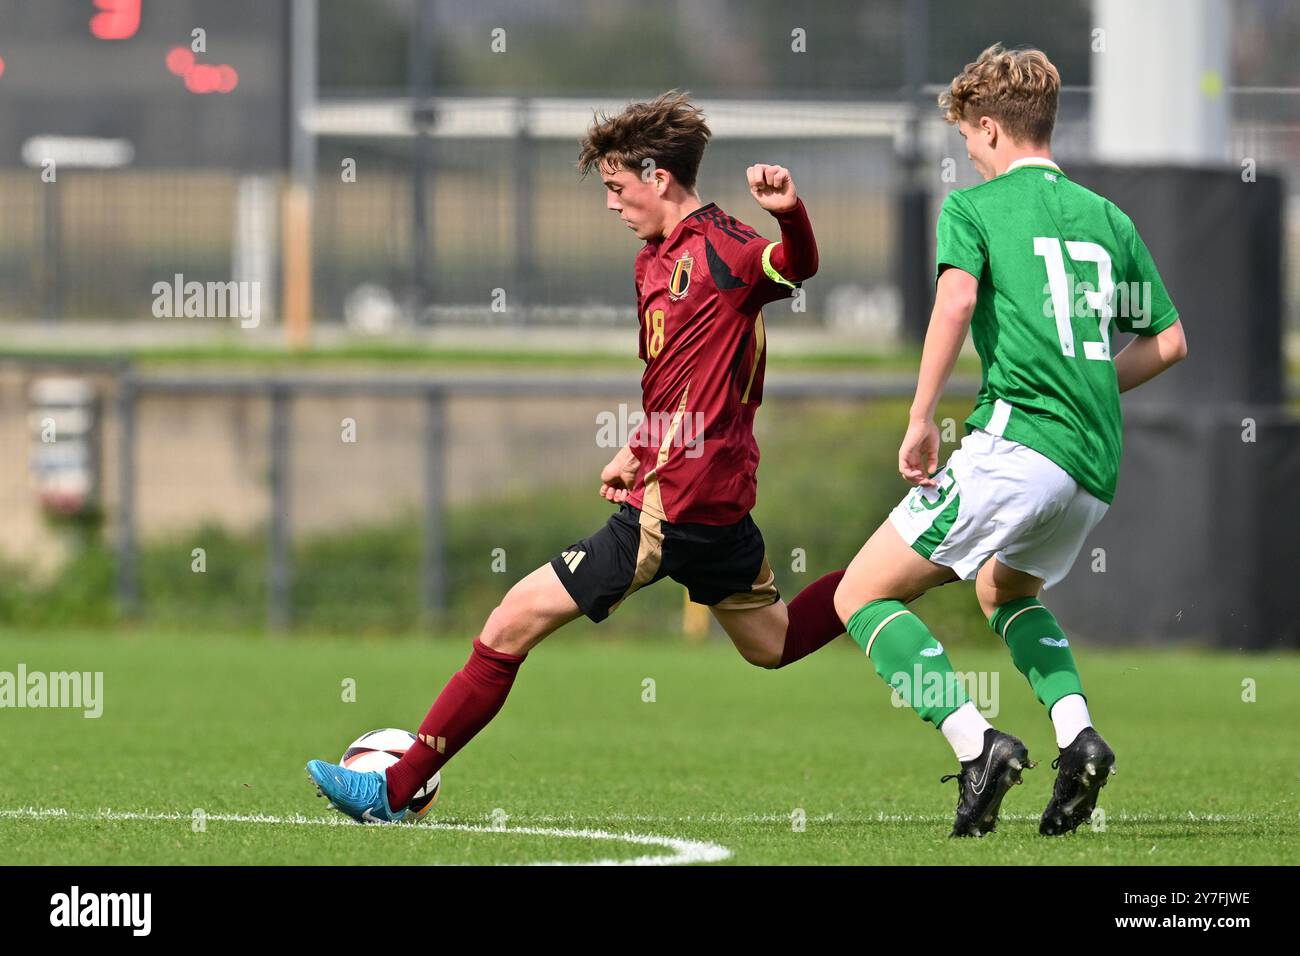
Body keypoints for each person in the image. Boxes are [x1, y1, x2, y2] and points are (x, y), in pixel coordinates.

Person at [307, 91, 847, 822]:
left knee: (510, 621)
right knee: (772, 641)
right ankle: (888, 571)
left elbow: (797, 265)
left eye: (617, 187)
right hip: (702, 495)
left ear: (657, 177)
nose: (610, 204)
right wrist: (637, 446)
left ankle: (392, 791)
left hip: (677, 501)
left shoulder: (724, 246)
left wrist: (789, 210)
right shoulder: (652, 261)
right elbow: (682, 376)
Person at [832, 45, 1188, 837]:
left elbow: (956, 301)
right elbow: (1168, 343)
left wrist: (922, 414)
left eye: (967, 140)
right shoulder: (1109, 217)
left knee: (859, 594)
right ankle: (1077, 736)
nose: (968, 155)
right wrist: (1091, 387)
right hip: (1093, 465)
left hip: (1018, 445)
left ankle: (976, 743)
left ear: (989, 129)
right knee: (1005, 591)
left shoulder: (976, 209)